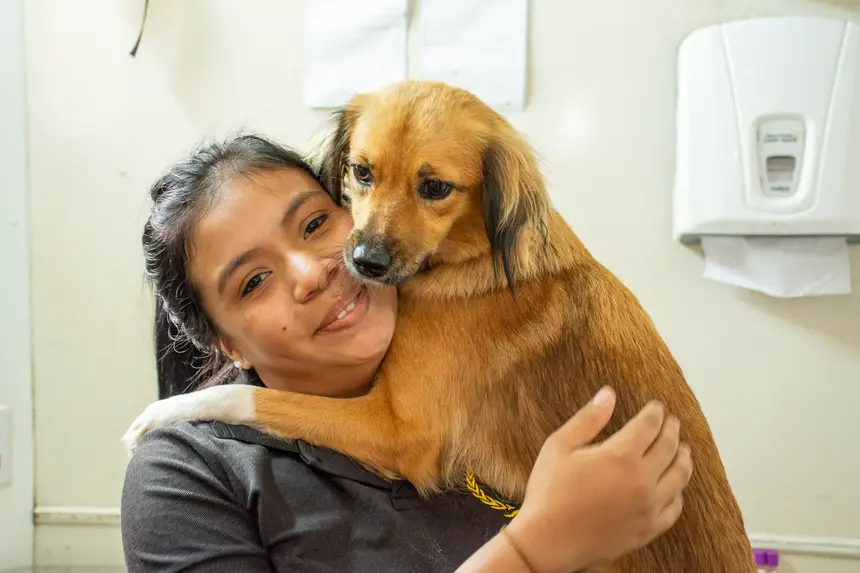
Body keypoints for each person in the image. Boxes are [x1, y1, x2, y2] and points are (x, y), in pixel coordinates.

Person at [121, 133, 693, 573]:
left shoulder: (487, 362)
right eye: (254, 282)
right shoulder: (187, 472)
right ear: (225, 342)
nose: (312, 272)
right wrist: (535, 548)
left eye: (316, 223)